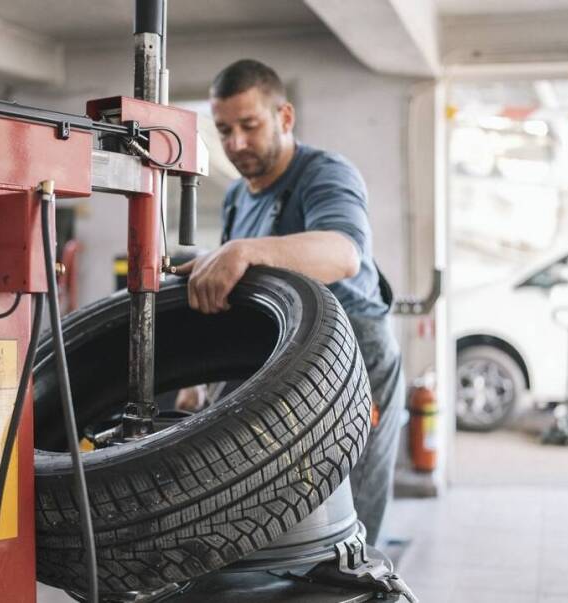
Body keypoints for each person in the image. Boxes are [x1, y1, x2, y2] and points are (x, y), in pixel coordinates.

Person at [174, 59, 405, 546]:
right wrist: (199, 382)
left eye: (250, 126)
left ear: (285, 117)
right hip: (281, 358)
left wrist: (245, 250)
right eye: (224, 130)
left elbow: (343, 254)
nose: (235, 144)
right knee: (275, 513)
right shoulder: (238, 196)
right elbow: (237, 295)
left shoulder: (323, 174)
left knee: (347, 520)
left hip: (354, 360)